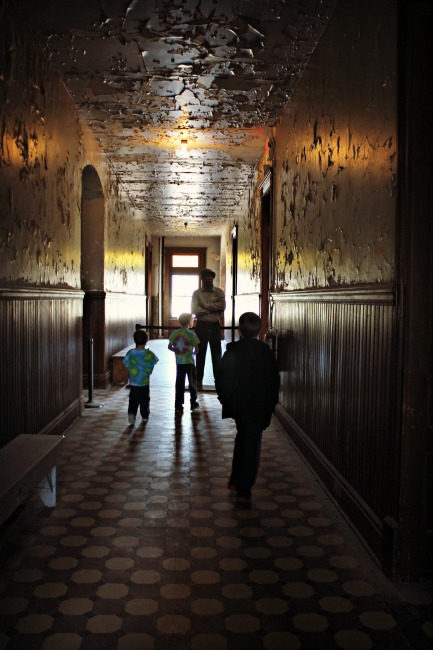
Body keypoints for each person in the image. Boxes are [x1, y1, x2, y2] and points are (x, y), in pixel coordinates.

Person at [215, 312, 280, 503]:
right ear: (259, 330)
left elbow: (222, 379)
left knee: (242, 438)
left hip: (239, 405)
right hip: (258, 406)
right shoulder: (265, 353)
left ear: (239, 330)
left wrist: (226, 401)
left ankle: (235, 479)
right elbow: (273, 381)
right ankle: (244, 489)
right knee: (252, 444)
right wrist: (270, 406)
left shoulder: (232, 351)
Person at [191, 268, 226, 389]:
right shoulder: (197, 293)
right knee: (200, 354)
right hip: (201, 326)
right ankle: (198, 381)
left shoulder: (219, 292)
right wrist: (211, 309)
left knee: (216, 355)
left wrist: (205, 307)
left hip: (215, 326)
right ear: (202, 279)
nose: (210, 280)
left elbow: (222, 306)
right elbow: (194, 310)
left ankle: (219, 381)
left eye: (211, 278)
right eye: (207, 277)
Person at [122, 329, 159, 426]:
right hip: (144, 382)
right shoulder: (149, 354)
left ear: (134, 340)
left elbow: (125, 364)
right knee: (145, 400)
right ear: (147, 340)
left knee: (132, 400)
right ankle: (145, 416)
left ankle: (131, 416)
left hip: (133, 382)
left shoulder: (130, 353)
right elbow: (155, 361)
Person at [168, 313, 200, 414]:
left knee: (179, 384)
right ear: (190, 322)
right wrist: (192, 353)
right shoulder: (192, 334)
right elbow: (197, 349)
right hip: (190, 362)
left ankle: (178, 405)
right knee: (192, 383)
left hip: (179, 362)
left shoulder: (175, 333)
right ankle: (193, 403)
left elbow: (169, 347)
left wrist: (177, 350)